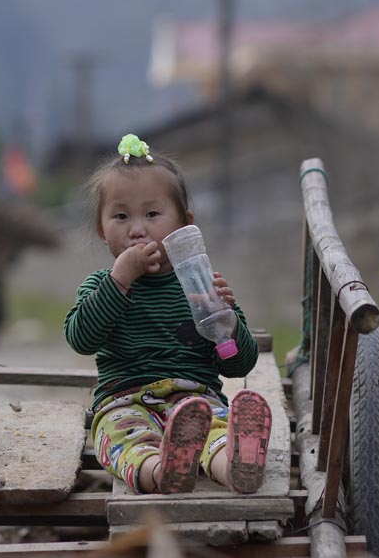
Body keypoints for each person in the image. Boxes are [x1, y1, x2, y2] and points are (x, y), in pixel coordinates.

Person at [65, 134, 272, 495]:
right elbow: (81, 339)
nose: (137, 229)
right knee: (121, 439)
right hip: (124, 401)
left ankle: (236, 466)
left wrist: (229, 320)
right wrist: (120, 280)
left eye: (152, 214)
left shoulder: (201, 288)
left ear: (184, 224)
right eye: (120, 216)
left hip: (197, 401)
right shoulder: (102, 285)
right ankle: (164, 471)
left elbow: (238, 365)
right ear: (102, 230)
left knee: (217, 432)